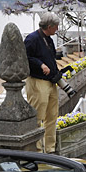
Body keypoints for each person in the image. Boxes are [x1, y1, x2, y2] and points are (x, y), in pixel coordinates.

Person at [24, 12, 62, 153]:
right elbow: (25, 57)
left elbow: (51, 59)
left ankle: (50, 148)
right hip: (37, 81)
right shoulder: (32, 39)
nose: (57, 29)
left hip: (50, 81)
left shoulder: (49, 39)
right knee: (38, 116)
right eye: (56, 26)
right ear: (50, 26)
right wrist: (40, 64)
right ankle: (37, 150)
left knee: (52, 115)